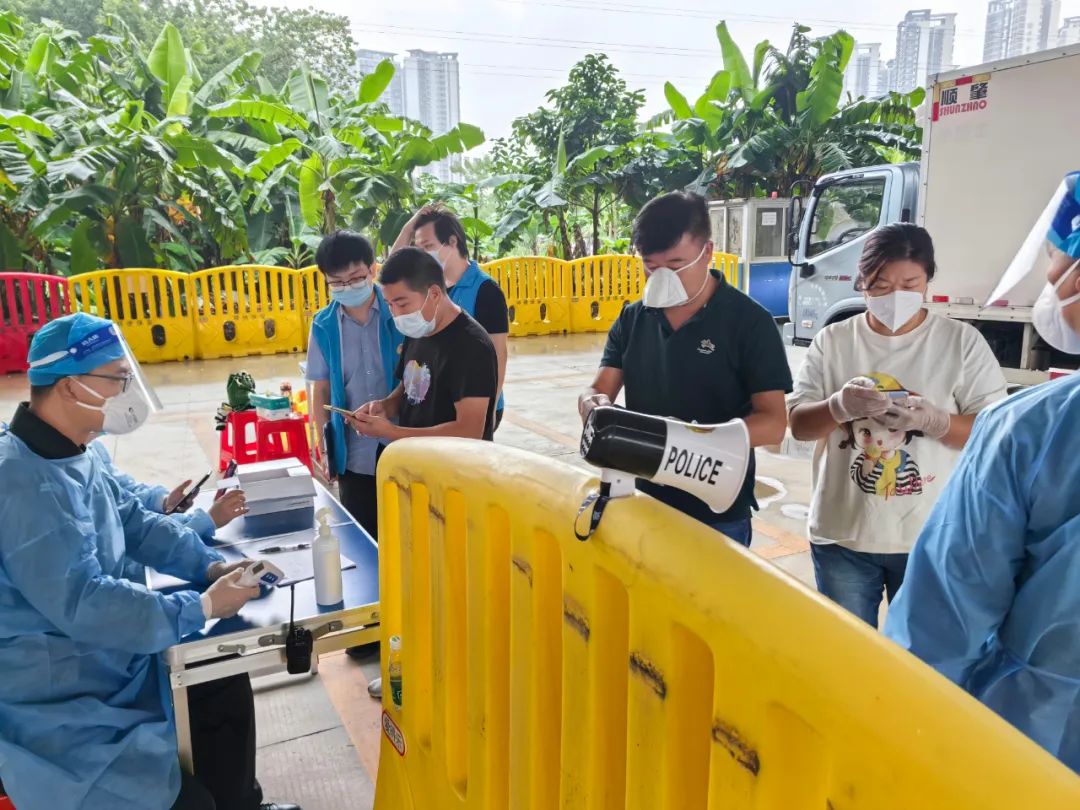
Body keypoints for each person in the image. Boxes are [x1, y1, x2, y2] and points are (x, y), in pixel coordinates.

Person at [0, 313, 298, 810]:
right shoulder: (21, 482)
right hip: (62, 697)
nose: (125, 390)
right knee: (187, 802)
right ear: (72, 387)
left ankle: (242, 802)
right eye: (116, 378)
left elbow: (136, 522)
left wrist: (208, 567)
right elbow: (84, 600)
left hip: (114, 656)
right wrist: (198, 607)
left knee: (220, 673)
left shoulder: (79, 452)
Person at [885, 174, 1080, 773]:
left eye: (1057, 264)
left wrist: (938, 421)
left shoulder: (1034, 428)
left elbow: (936, 642)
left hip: (1026, 745)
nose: (1050, 281)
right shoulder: (1038, 430)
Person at [787, 224, 1008, 626]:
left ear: (928, 280)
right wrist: (838, 406)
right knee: (852, 657)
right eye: (881, 285)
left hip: (929, 537)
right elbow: (800, 425)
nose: (895, 297)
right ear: (862, 280)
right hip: (842, 535)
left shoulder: (960, 343)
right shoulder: (834, 340)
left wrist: (936, 421)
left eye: (910, 283)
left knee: (921, 660)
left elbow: (993, 431)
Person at [577, 191, 792, 546]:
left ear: (706, 252)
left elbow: (773, 423)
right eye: (650, 266)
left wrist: (694, 440)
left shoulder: (749, 322)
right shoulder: (633, 318)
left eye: (675, 266)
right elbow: (599, 389)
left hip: (717, 511)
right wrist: (590, 403)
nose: (662, 277)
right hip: (642, 498)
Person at [306, 230, 403, 542]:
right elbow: (320, 389)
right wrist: (323, 444)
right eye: (337, 282)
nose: (347, 287)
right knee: (364, 539)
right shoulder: (323, 325)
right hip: (354, 455)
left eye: (356, 277)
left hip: (405, 441)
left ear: (373, 269)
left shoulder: (400, 311)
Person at [347, 246, 499, 443]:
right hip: (417, 464)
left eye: (402, 304)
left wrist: (392, 432)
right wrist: (385, 407)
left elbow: (469, 430)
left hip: (453, 469)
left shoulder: (472, 346)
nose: (397, 314)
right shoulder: (420, 328)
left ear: (434, 294)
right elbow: (409, 389)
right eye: (389, 304)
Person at [394, 203, 509, 431]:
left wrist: (489, 412)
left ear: (453, 241)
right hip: (433, 403)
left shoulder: (485, 291)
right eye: (419, 248)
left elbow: (498, 355)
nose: (423, 255)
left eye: (428, 246)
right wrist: (409, 227)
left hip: (472, 403)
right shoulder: (428, 287)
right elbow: (393, 271)